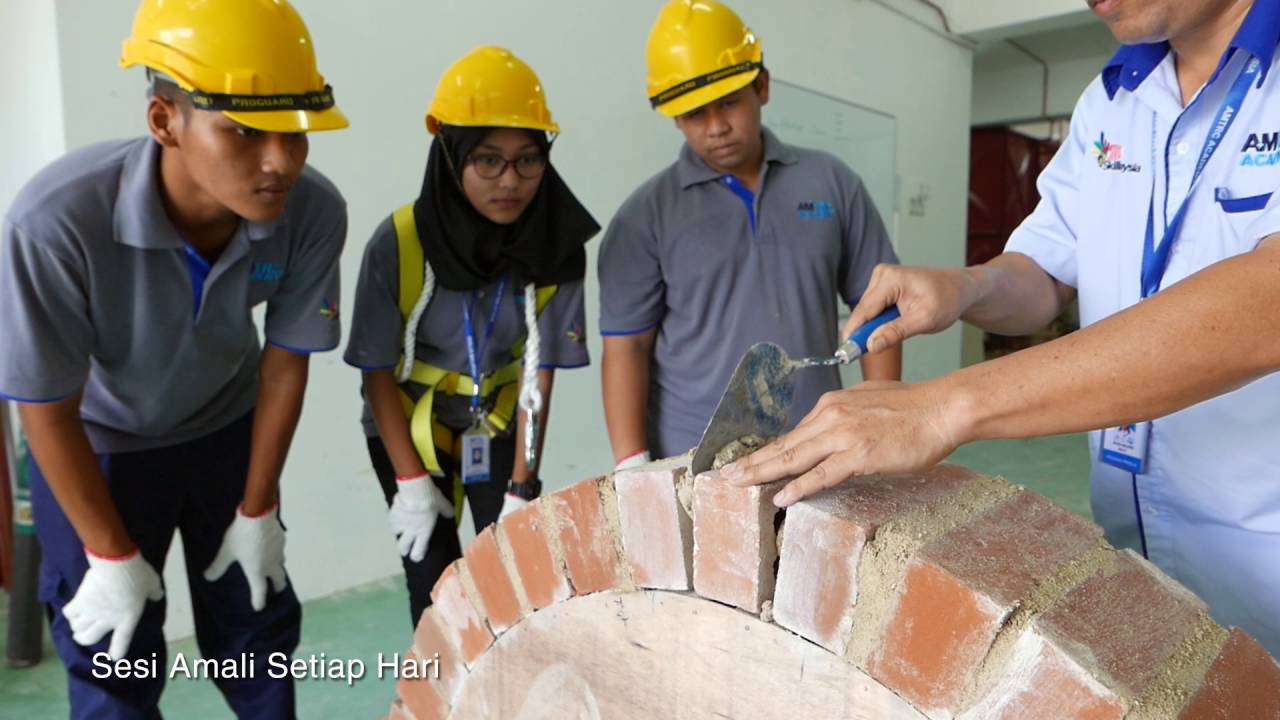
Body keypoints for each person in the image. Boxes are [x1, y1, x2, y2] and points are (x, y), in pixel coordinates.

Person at [725, 0, 1280, 657]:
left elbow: (1265, 306)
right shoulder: (1111, 101)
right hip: (1140, 549)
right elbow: (1046, 271)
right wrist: (969, 287)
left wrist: (946, 407)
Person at [0, 0, 349, 716]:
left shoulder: (310, 212)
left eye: (294, 130)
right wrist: (109, 553)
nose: (280, 159)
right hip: (99, 446)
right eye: (244, 131)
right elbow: (44, 403)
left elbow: (286, 359)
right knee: (113, 657)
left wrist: (260, 506)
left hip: (228, 432)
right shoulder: (57, 224)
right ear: (165, 121)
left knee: (257, 632)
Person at [344, 46, 598, 626]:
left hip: (500, 419)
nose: (510, 182)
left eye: (528, 160)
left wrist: (524, 484)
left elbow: (542, 370)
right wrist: (409, 481)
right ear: (450, 154)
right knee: (433, 588)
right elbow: (375, 375)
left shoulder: (556, 241)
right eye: (488, 161)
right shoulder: (400, 242)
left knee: (512, 581)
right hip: (410, 423)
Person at [598, 0, 902, 470]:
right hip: (695, 456)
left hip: (819, 440)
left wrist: (879, 412)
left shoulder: (831, 182)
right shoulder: (644, 216)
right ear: (675, 116)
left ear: (761, 86)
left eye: (729, 103)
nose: (716, 127)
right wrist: (631, 465)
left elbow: (879, 304)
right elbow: (626, 347)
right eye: (696, 114)